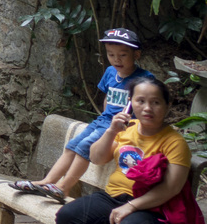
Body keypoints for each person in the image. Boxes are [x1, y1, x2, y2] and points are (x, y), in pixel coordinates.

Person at [54, 77, 197, 224]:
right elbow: (97, 158)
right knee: (68, 215)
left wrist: (132, 206)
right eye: (140, 101)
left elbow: (172, 188)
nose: (148, 108)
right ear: (130, 103)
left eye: (155, 102)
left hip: (152, 208)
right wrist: (111, 131)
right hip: (113, 198)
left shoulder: (175, 142)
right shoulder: (126, 130)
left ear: (167, 106)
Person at [11, 27, 152, 200]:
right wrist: (105, 114)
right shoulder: (110, 72)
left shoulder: (144, 79)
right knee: (72, 146)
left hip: (121, 126)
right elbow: (107, 97)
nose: (116, 59)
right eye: (111, 54)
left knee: (85, 146)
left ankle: (64, 187)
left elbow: (148, 106)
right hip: (103, 120)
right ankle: (47, 181)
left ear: (136, 54)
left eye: (123, 55)